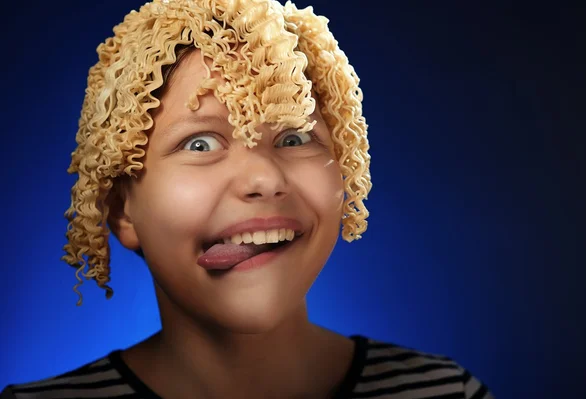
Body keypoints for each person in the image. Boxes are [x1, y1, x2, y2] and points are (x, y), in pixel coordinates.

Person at [1, 0, 494, 398]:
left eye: (296, 138)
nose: (262, 177)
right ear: (120, 210)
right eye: (199, 143)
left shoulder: (446, 392)